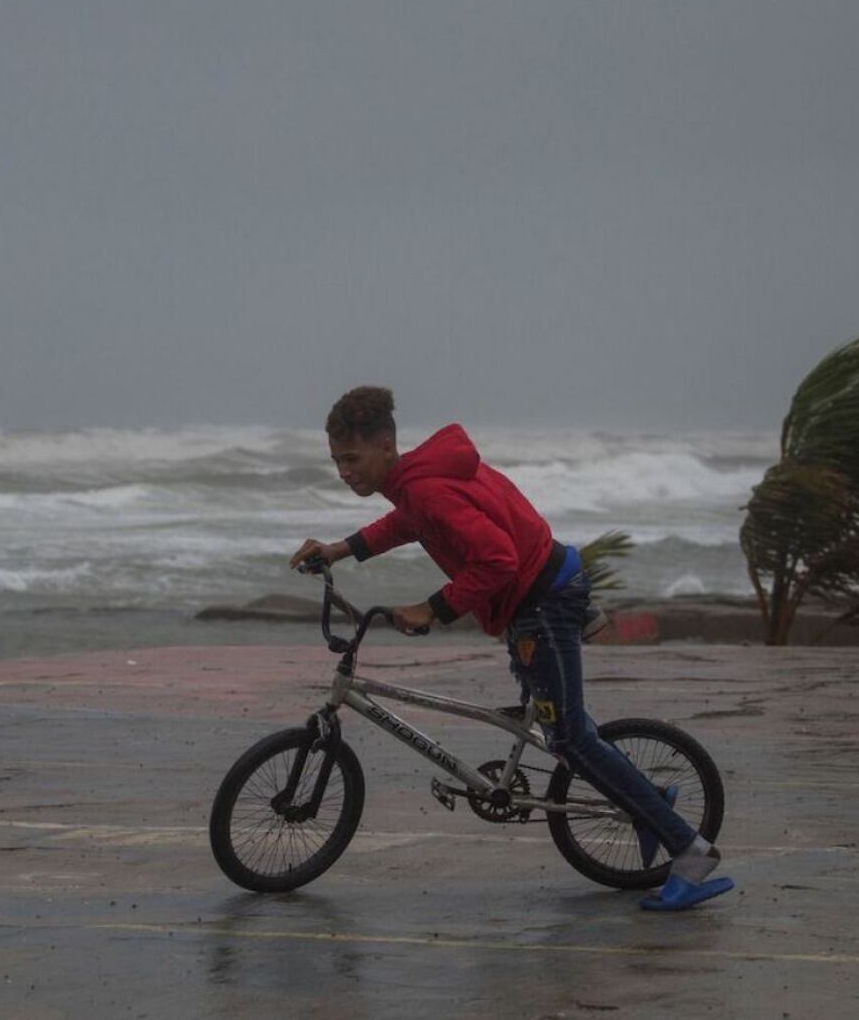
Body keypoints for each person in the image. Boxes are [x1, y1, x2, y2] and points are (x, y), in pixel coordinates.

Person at [289, 386, 729, 910]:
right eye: (336, 461)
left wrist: (434, 608)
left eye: (352, 458)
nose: (344, 471)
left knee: (570, 739)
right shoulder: (414, 482)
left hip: (543, 601)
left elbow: (497, 560)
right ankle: (647, 798)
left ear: (385, 446)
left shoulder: (425, 488)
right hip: (537, 592)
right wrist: (341, 549)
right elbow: (408, 523)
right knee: (564, 726)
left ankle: (691, 852)